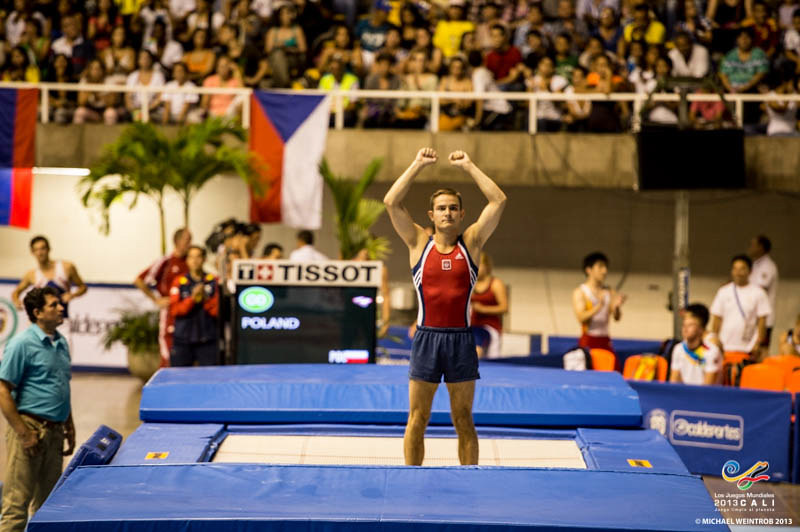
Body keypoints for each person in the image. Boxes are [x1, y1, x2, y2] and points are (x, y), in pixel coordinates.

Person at [383, 147, 506, 466]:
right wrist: (416, 165)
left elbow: (498, 201)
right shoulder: (417, 245)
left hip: (461, 341)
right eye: (441, 208)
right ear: (432, 215)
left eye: (453, 208)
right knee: (418, 417)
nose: (448, 213)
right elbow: (391, 202)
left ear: (462, 215)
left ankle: (470, 479)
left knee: (463, 418)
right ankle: (411, 478)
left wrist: (469, 166)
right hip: (427, 339)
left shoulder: (473, 243)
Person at [0, 287, 75, 532]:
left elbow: (61, 385)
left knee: (47, 505)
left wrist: (69, 424)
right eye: (53, 305)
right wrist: (23, 433)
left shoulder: (61, 342)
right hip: (30, 429)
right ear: (37, 313)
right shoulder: (22, 344)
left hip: (54, 433)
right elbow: (3, 390)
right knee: (16, 505)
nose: (60, 307)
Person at [134, 228, 192, 365]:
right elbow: (139, 280)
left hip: (188, 313)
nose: (189, 244)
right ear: (177, 241)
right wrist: (156, 299)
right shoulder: (166, 262)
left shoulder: (191, 261)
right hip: (170, 312)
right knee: (168, 353)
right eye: (187, 240)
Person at [709, 254, 771, 361]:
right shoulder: (723, 291)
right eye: (735, 269)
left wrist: (758, 343)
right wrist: (715, 339)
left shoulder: (758, 293)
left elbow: (762, 322)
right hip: (725, 347)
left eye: (742, 269)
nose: (738, 273)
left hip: (747, 348)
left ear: (750, 271)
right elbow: (717, 319)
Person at [11, 236, 87, 318]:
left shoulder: (66, 267)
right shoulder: (31, 274)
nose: (40, 253)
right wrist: (16, 301)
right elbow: (16, 292)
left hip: (63, 320)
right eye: (36, 250)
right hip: (42, 323)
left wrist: (72, 295)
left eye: (42, 248)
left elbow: (83, 287)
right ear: (32, 252)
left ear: (48, 249)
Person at [168, 246, 220, 367]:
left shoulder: (213, 281)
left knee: (210, 377)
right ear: (187, 260)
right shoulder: (179, 282)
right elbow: (175, 310)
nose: (195, 260)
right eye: (191, 257)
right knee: (179, 377)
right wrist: (192, 298)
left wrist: (205, 298)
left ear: (204, 259)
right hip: (183, 340)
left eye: (198, 257)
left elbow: (217, 311)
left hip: (207, 340)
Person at [572, 251, 626, 352]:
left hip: (605, 339)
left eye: (606, 267)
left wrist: (617, 307)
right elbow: (581, 318)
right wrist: (599, 306)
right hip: (589, 339)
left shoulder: (609, 291)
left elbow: (617, 318)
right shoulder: (581, 292)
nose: (604, 271)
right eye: (600, 267)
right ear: (589, 270)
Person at [669, 303, 723, 385]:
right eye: (684, 324)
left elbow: (708, 386)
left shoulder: (711, 347)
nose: (685, 328)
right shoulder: (679, 348)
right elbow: (674, 381)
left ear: (701, 328)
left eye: (690, 324)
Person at [470, 252, 508, 359]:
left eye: (479, 264)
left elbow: (504, 307)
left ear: (486, 266)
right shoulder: (471, 284)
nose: (475, 267)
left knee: (478, 339)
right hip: (472, 327)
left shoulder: (496, 284)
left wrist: (483, 309)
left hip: (490, 327)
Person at [747, 235, 778, 347]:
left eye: (752, 245)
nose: (749, 248)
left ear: (761, 247)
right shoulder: (754, 265)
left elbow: (760, 290)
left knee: (760, 350)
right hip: (752, 317)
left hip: (763, 319)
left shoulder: (768, 266)